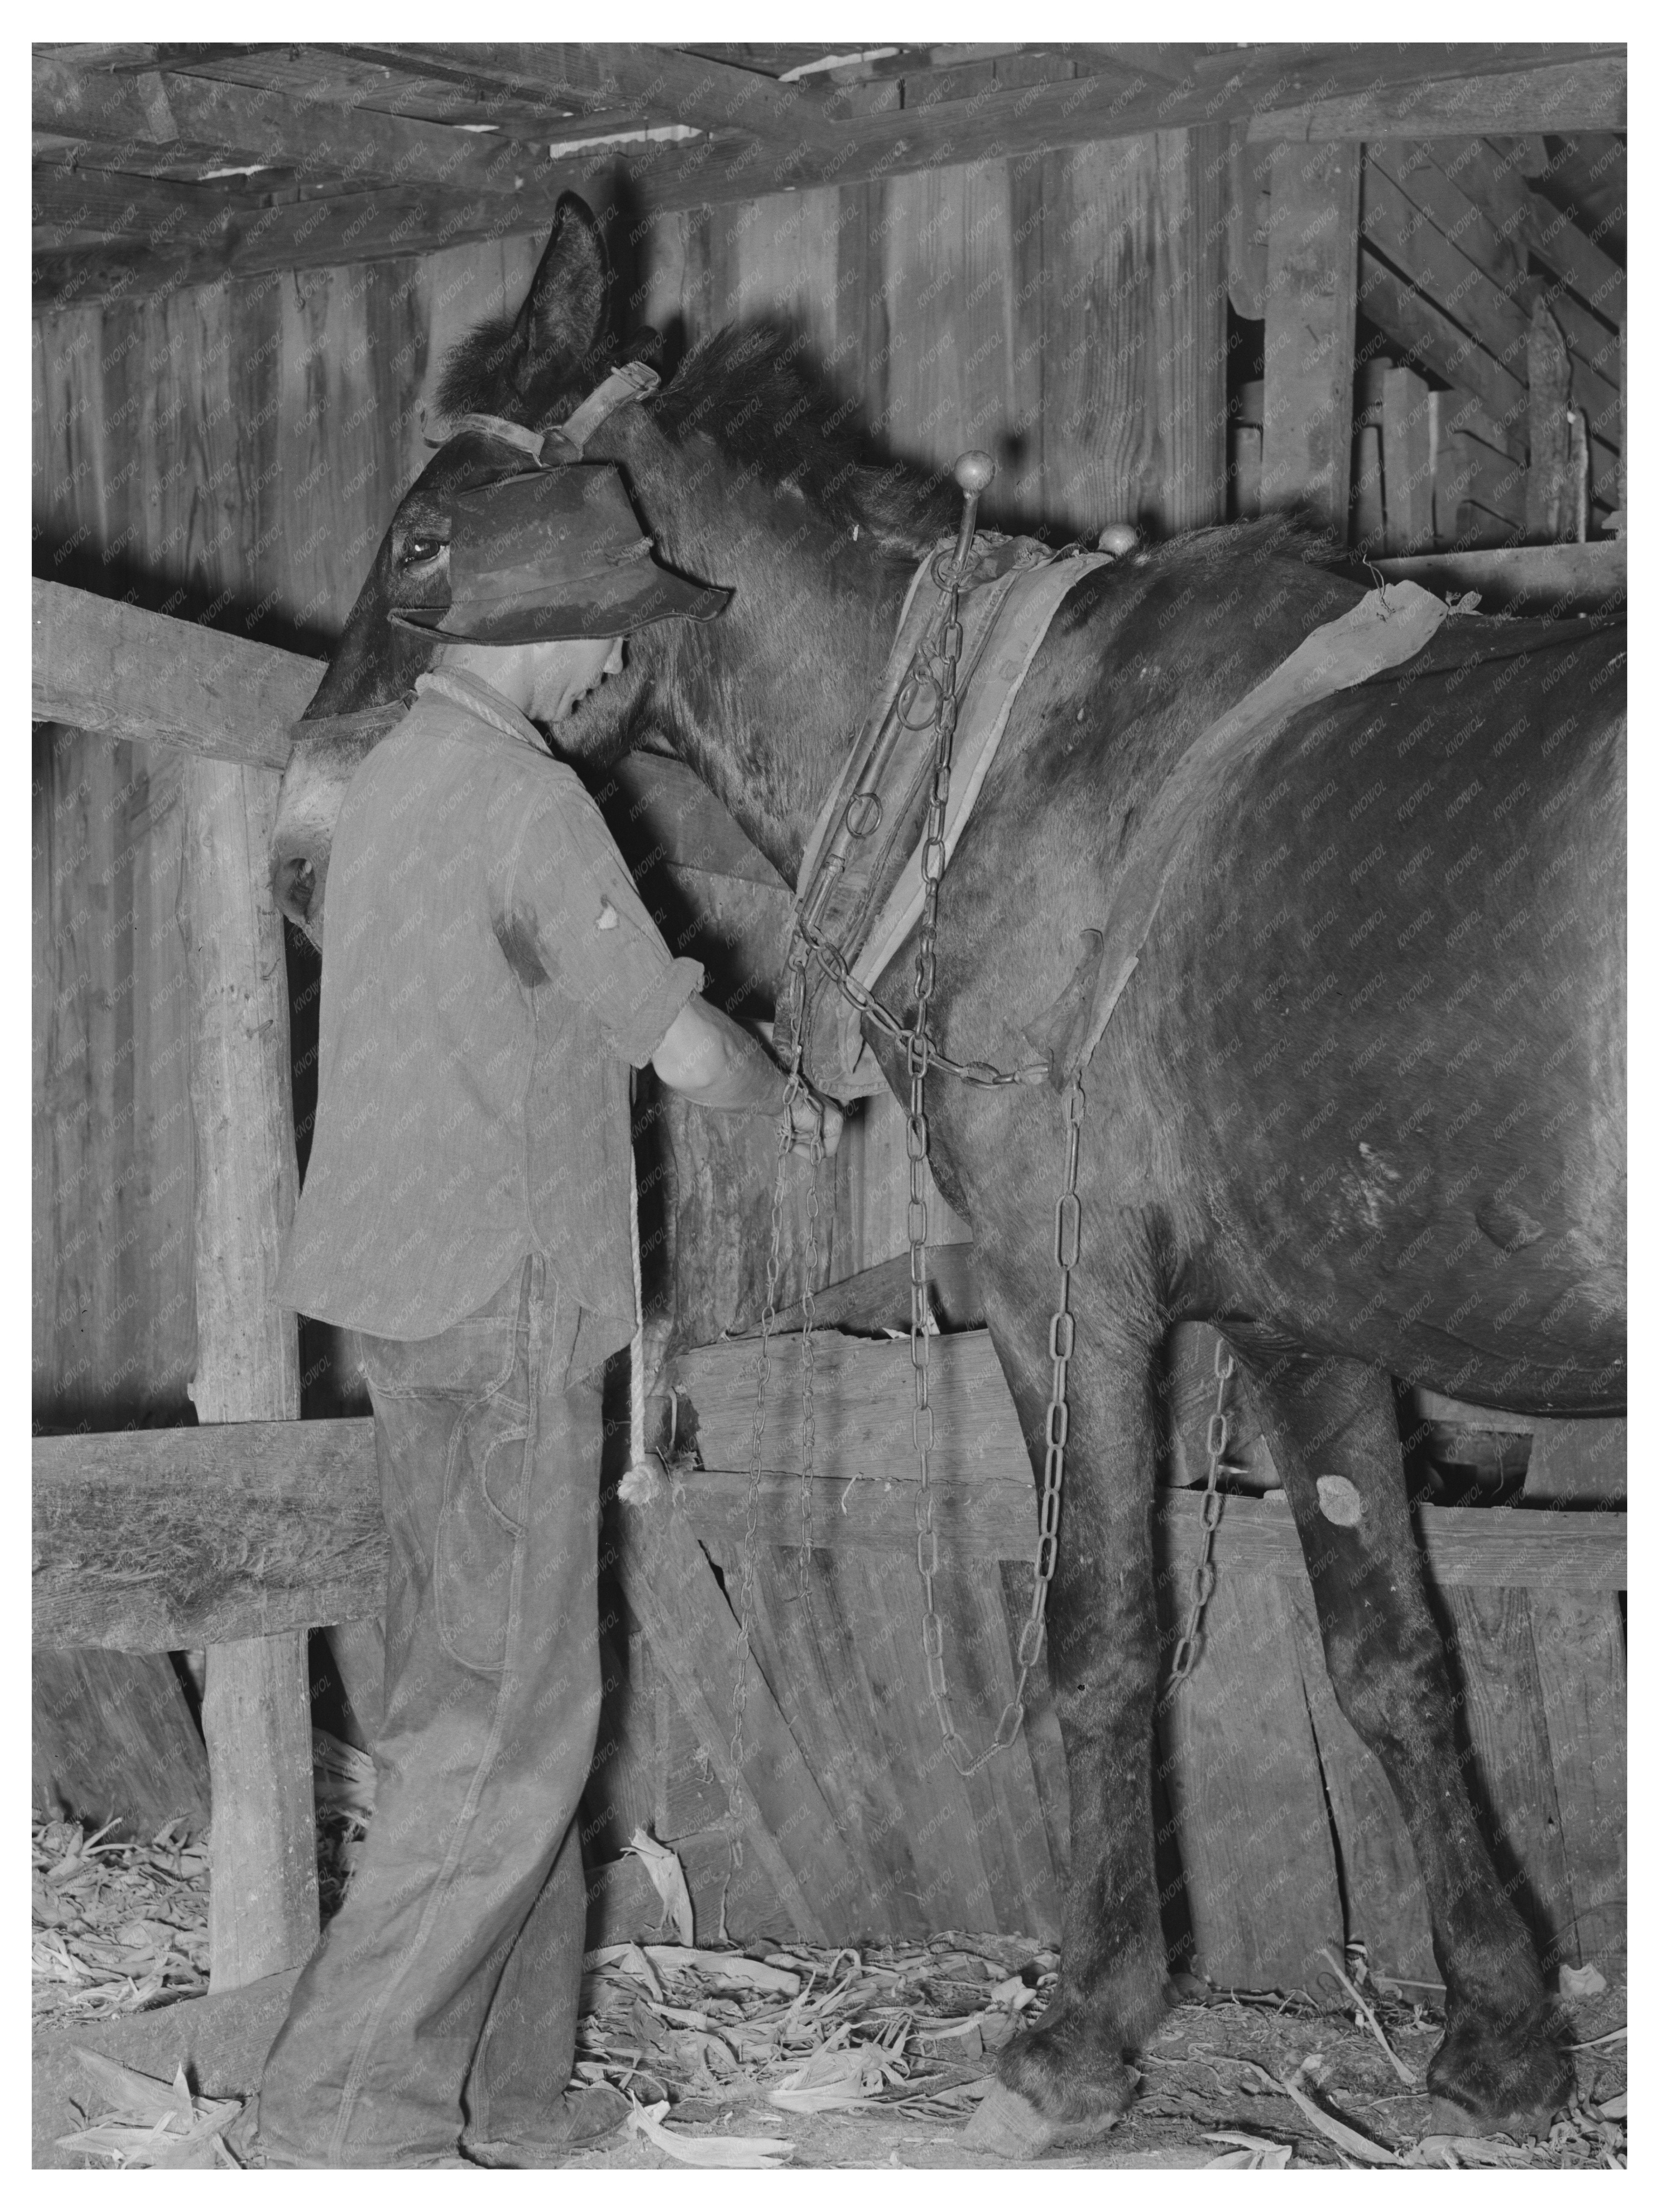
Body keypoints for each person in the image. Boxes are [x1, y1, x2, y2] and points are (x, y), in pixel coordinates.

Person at [252, 528, 838, 2165]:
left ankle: (502, 2096)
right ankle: (330, 2112)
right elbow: (678, 1045)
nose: (612, 671)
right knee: (507, 1732)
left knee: (475, 1695)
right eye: (608, 636)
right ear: (547, 622)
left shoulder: (379, 785)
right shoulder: (529, 801)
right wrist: (794, 1099)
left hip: (401, 1299)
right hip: (508, 1302)